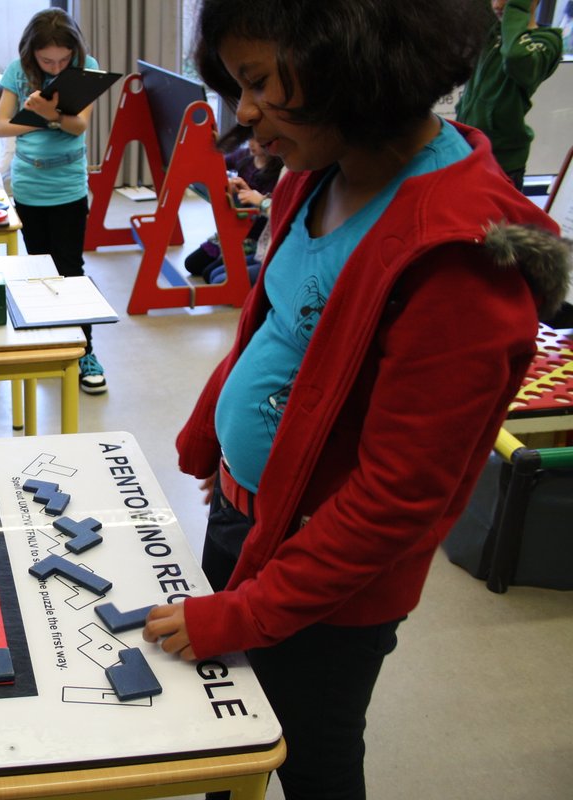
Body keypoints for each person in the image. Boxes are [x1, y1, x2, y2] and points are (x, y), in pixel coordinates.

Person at [140, 1, 571, 798]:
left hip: (330, 581)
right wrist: (222, 448)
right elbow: (275, 324)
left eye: (262, 83)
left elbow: (395, 502)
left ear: (360, 62)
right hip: (249, 516)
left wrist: (236, 615)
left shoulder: (459, 261)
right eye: (240, 85)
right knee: (224, 723)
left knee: (312, 752)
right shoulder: (317, 171)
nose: (247, 114)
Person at [0, 8, 107, 395]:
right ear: (32, 55)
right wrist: (50, 117)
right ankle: (51, 339)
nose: (56, 66)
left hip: (68, 186)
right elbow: (2, 125)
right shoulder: (16, 71)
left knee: (70, 268)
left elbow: (80, 125)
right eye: (47, 61)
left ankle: (85, 351)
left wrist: (53, 113)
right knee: (41, 268)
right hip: (29, 186)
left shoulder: (86, 66)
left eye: (63, 59)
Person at [455, 0, 562, 190]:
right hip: (467, 149)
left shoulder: (547, 41)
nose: (497, 4)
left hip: (503, 162)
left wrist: (517, 7)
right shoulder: (492, 32)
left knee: (495, 219)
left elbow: (516, 58)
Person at [183, 138, 282, 280]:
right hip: (234, 228)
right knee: (192, 264)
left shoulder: (278, 172)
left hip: (254, 236)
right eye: (250, 138)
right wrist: (226, 183)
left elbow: (268, 211)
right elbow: (215, 165)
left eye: (256, 139)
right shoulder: (244, 156)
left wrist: (250, 196)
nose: (251, 143)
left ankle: (245, 256)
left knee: (210, 275)